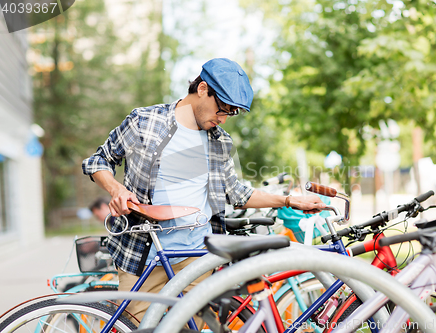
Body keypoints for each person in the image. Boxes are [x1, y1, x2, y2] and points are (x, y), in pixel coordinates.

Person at [82, 58, 325, 321]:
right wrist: (116, 189)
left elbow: (236, 193)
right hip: (143, 252)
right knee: (136, 326)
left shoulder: (220, 142)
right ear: (202, 89)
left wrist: (288, 200)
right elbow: (98, 160)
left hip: (196, 254)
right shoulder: (144, 121)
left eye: (230, 113)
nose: (222, 119)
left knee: (194, 327)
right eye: (221, 109)